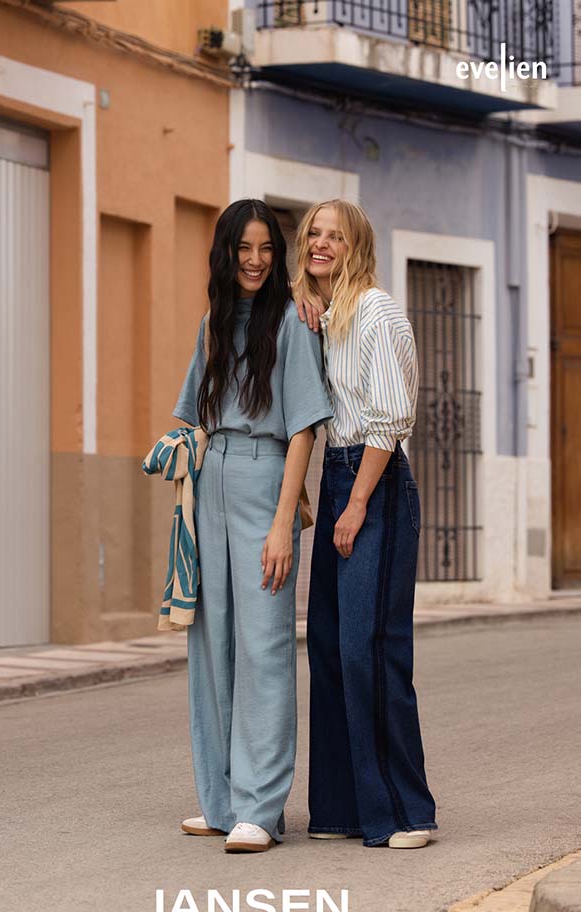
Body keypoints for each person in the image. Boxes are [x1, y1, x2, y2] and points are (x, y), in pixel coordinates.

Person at [172, 199, 332, 853]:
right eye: (244, 248)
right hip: (209, 480)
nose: (256, 260)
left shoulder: (294, 321)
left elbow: (303, 430)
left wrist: (281, 522)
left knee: (263, 647)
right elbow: (191, 417)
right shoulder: (212, 324)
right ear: (226, 252)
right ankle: (222, 801)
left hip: (266, 480)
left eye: (267, 248)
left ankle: (260, 809)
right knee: (211, 645)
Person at [293, 199, 438, 849]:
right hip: (335, 474)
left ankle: (405, 813)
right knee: (328, 645)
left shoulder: (378, 311)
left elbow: (390, 416)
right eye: (313, 233)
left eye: (335, 236)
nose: (320, 243)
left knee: (369, 649)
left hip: (373, 483)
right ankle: (341, 809)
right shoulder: (322, 317)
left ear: (357, 248)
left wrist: (354, 505)